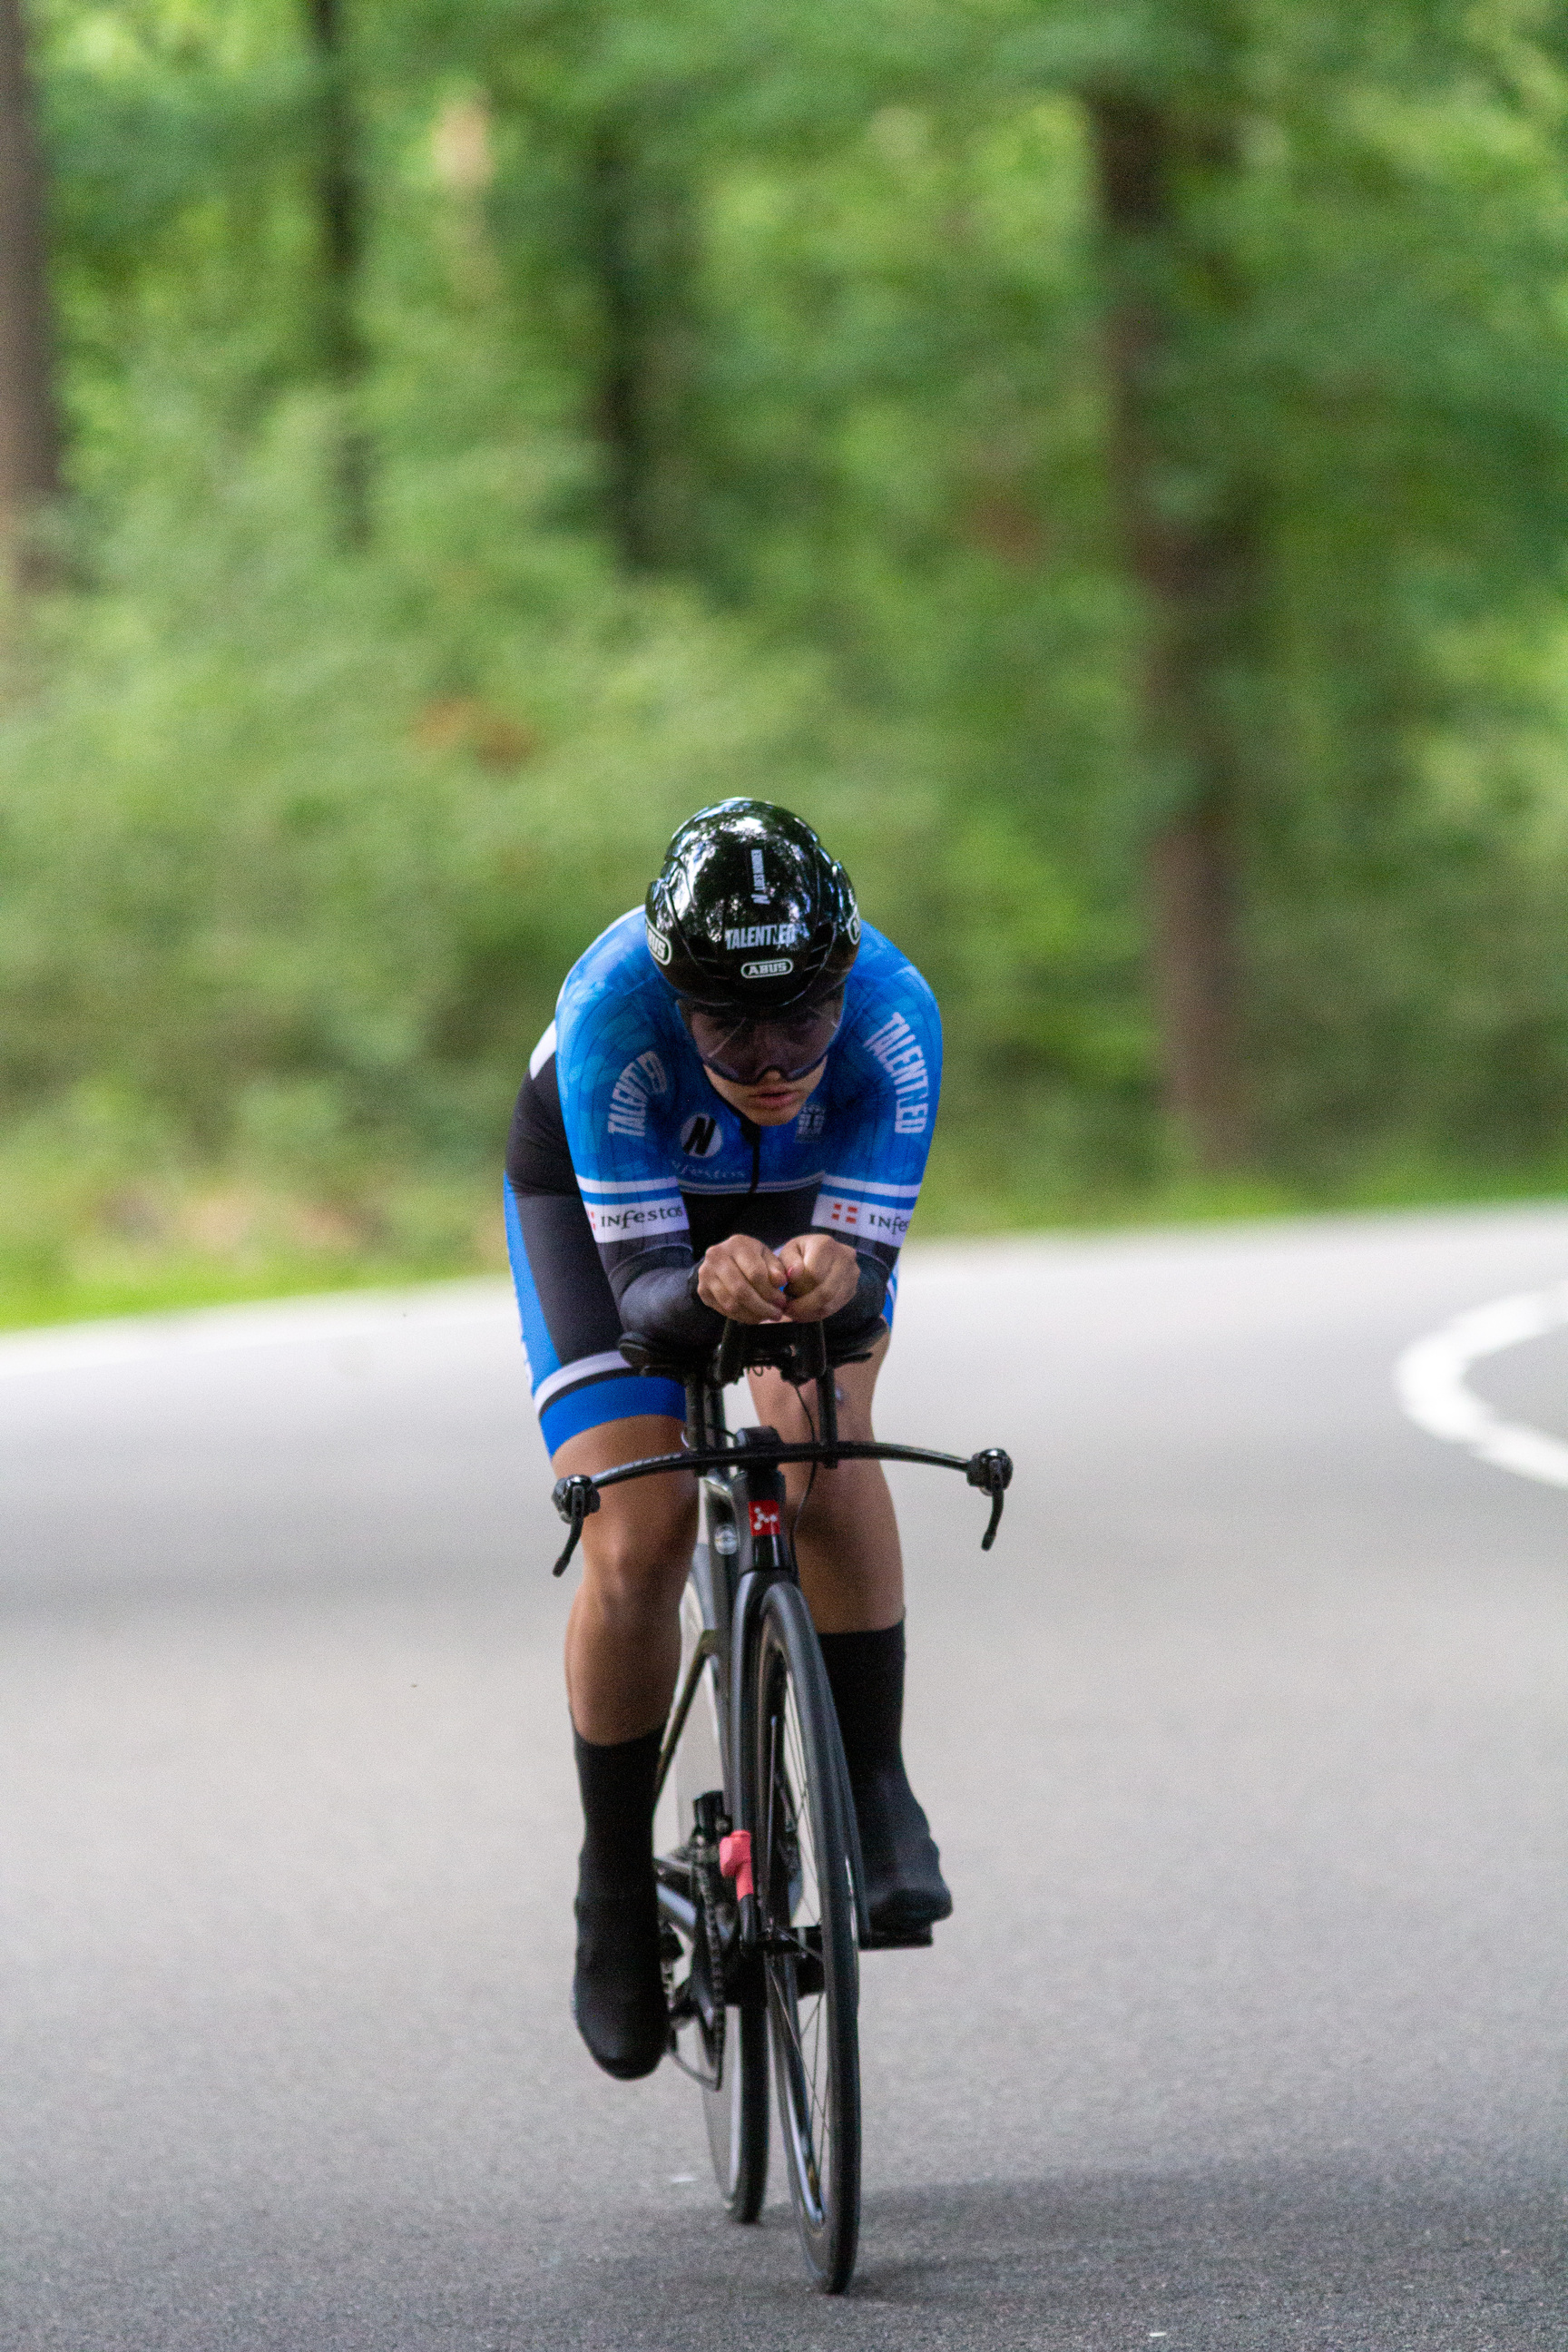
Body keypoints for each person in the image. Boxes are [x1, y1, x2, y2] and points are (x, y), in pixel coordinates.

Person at [505, 798, 948, 2081]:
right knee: (635, 1534)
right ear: (672, 989)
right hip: (615, 1217)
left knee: (824, 1435)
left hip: (797, 1200)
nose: (768, 1057)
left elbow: (865, 1277)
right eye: (726, 1024)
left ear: (843, 978)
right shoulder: (607, 1013)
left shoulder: (897, 1015)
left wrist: (831, 1268)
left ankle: (875, 1789)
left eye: (802, 1018)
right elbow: (644, 1293)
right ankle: (612, 1891)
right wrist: (703, 1286)